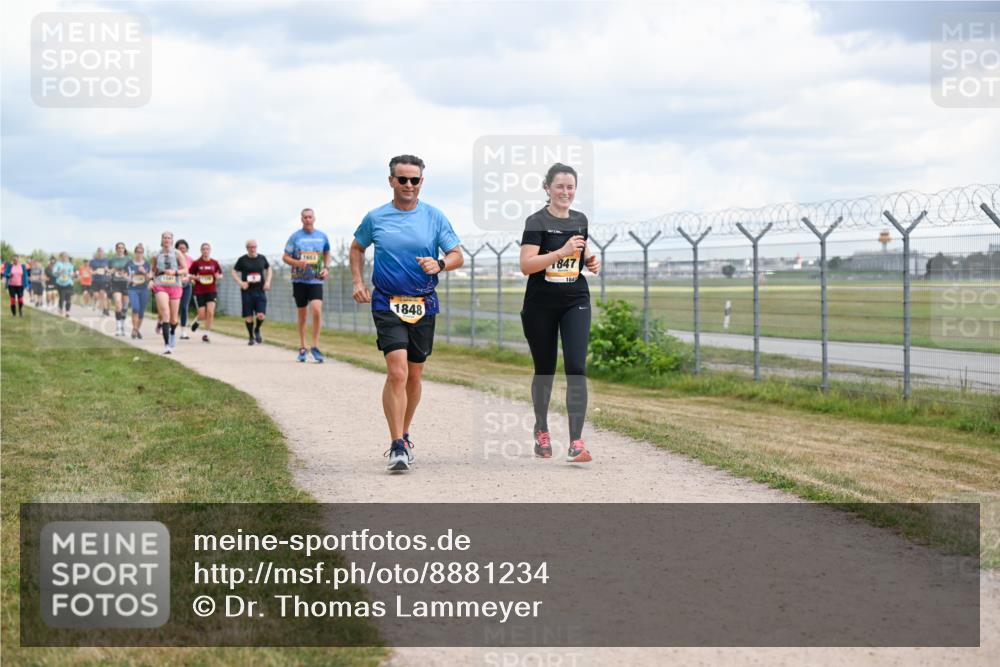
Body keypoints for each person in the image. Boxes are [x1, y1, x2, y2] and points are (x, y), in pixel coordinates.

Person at [351, 154, 463, 472]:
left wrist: (440, 263)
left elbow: (457, 255)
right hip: (387, 301)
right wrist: (358, 282)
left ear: (421, 182)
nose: (409, 185)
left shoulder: (434, 217)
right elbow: (357, 247)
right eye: (403, 179)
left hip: (423, 302)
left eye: (414, 180)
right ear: (391, 181)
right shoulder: (376, 218)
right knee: (397, 372)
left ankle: (405, 431)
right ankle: (397, 444)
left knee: (414, 375)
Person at [518, 163, 600, 464]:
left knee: (576, 367)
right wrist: (560, 253)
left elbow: (580, 249)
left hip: (575, 300)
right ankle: (541, 428)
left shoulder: (580, 220)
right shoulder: (536, 221)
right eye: (560, 186)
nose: (566, 192)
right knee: (545, 370)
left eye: (570, 187)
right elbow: (526, 265)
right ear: (547, 188)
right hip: (540, 304)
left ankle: (576, 442)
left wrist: (589, 260)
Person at [283, 208, 330, 362]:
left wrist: (326, 268)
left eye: (310, 217)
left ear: (314, 218)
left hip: (316, 280)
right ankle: (303, 347)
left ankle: (315, 346)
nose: (308, 219)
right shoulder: (295, 237)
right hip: (299, 280)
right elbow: (285, 257)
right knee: (303, 315)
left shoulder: (322, 236)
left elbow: (327, 252)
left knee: (316, 310)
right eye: (305, 217)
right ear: (301, 219)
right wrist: (297, 262)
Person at [232, 239, 272, 345]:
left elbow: (269, 269)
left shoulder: (262, 258)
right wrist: (241, 282)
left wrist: (268, 282)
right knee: (249, 316)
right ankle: (251, 337)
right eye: (250, 247)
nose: (253, 249)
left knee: (261, 315)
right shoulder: (242, 260)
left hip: (260, 290)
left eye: (254, 247)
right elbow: (233, 271)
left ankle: (257, 329)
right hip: (247, 291)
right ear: (247, 248)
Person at [151, 231, 185, 354]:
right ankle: (167, 346)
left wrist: (175, 272)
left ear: (171, 240)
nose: (166, 239)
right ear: (162, 240)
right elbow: (152, 270)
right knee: (166, 314)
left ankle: (172, 332)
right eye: (164, 237)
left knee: (174, 319)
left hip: (175, 285)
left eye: (169, 238)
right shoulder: (156, 255)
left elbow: (185, 269)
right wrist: (150, 280)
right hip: (161, 285)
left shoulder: (177, 253)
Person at [188, 242, 223, 343]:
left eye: (207, 249)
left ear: (210, 250)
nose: (205, 251)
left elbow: (220, 274)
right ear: (201, 251)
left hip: (211, 290)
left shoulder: (214, 263)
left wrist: (218, 276)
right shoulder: (196, 263)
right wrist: (196, 278)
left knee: (210, 313)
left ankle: (206, 334)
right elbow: (189, 275)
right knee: (202, 315)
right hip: (200, 291)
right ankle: (198, 320)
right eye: (204, 249)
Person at [126, 244, 151, 339]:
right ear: (135, 253)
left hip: (143, 289)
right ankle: (135, 329)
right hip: (132, 289)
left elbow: (149, 278)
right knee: (135, 308)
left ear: (143, 253)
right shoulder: (129, 264)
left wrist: (144, 272)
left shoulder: (146, 264)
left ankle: (136, 330)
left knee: (141, 311)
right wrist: (129, 279)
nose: (139, 254)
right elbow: (124, 275)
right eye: (137, 252)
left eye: (141, 252)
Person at [108, 242, 131, 336]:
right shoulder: (112, 260)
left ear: (124, 249)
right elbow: (108, 272)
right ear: (116, 249)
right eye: (119, 248)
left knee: (125, 307)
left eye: (122, 248)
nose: (120, 249)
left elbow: (132, 271)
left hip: (126, 284)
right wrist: (111, 271)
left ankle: (122, 326)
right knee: (118, 304)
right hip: (116, 283)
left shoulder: (129, 259)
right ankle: (118, 327)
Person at [174, 239, 195, 339]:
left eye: (184, 248)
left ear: (187, 249)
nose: (182, 250)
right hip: (174, 285)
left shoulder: (190, 259)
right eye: (180, 248)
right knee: (173, 307)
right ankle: (170, 326)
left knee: (184, 307)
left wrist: (190, 278)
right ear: (176, 249)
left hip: (187, 285)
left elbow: (194, 273)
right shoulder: (173, 259)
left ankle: (183, 331)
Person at [53, 252, 76, 317]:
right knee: (62, 297)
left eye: (66, 256)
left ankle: (67, 311)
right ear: (61, 257)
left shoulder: (70, 265)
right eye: (64, 256)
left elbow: (71, 273)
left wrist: (73, 274)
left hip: (68, 283)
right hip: (60, 284)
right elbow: (54, 273)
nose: (65, 258)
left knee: (68, 298)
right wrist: (59, 271)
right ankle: (60, 308)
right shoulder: (58, 264)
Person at [89, 247, 110, 316]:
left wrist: (107, 270)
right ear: (97, 252)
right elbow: (90, 270)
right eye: (99, 251)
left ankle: (103, 310)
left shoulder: (106, 260)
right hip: (95, 280)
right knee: (96, 295)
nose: (100, 253)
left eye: (102, 251)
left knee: (103, 294)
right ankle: (95, 301)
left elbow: (109, 270)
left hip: (104, 280)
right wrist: (94, 272)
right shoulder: (93, 261)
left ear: (103, 253)